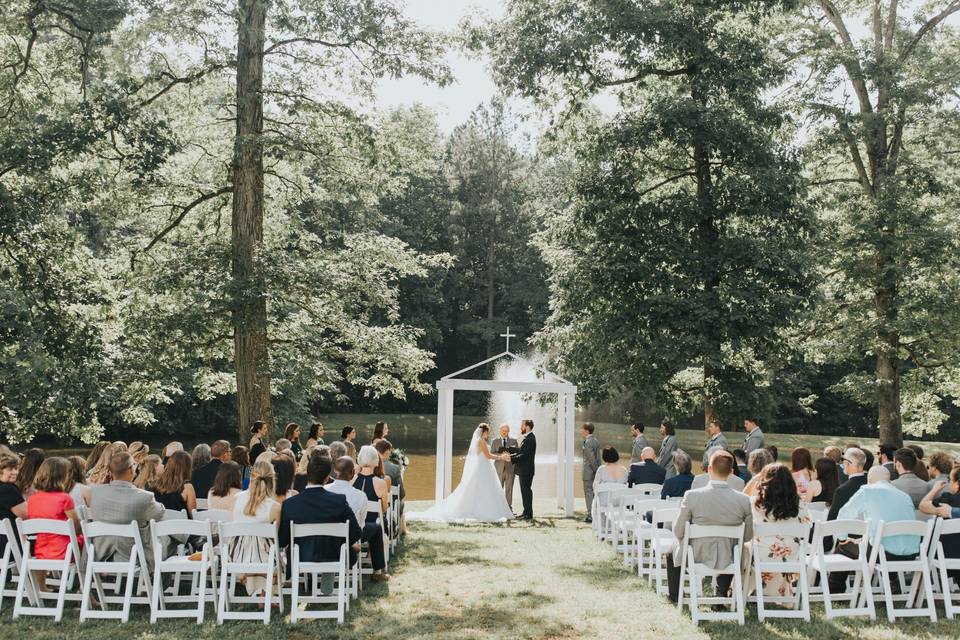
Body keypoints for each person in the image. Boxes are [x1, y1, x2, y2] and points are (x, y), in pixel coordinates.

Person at [666, 450, 753, 603]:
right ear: (731, 472)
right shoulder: (744, 500)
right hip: (729, 557)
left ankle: (675, 597)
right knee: (732, 548)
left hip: (696, 554)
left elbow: (678, 531)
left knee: (672, 550)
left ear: (709, 469)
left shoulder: (692, 496)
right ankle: (721, 594)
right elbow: (747, 536)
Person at [277, 455, 363, 591]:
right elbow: (355, 533)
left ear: (307, 474)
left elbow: (282, 541)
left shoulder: (290, 504)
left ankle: (313, 581)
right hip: (334, 556)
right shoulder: (339, 501)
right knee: (344, 547)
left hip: (302, 557)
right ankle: (325, 578)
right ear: (327, 478)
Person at [830, 465, 920, 591]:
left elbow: (844, 514)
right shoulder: (904, 496)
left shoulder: (867, 491)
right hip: (910, 554)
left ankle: (835, 592)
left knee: (843, 549)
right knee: (879, 543)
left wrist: (842, 539)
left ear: (869, 478)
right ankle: (892, 581)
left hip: (881, 554)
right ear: (889, 480)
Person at [408, 424, 514, 523]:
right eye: (488, 432)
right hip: (483, 469)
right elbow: (488, 456)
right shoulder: (481, 441)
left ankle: (482, 507)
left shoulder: (479, 440)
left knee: (481, 490)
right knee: (481, 489)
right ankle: (482, 510)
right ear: (484, 432)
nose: (489, 434)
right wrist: (501, 457)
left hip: (484, 468)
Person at [89, 451, 165, 571]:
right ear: (131, 470)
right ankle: (157, 585)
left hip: (99, 553)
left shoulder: (94, 492)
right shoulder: (144, 497)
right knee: (164, 543)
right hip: (133, 555)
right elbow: (158, 515)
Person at [746, 463, 807, 603]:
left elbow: (741, 499)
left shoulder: (755, 504)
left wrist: (753, 481)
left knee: (744, 549)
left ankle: (743, 591)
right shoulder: (800, 505)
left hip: (761, 557)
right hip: (791, 558)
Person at [325, 455, 388, 582]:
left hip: (327, 537)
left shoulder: (324, 490)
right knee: (376, 528)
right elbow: (361, 523)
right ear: (353, 473)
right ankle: (377, 572)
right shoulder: (360, 495)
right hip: (351, 537)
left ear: (335, 472)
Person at [27, 457, 83, 588]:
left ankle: (42, 587)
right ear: (62, 477)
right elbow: (76, 527)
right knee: (89, 545)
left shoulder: (33, 499)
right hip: (66, 551)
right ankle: (85, 591)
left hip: (41, 550)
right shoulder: (65, 499)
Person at [230, 460, 281, 595]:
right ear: (272, 479)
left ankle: (257, 591)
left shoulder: (235, 499)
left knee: (255, 548)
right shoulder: (275, 507)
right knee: (271, 551)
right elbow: (279, 537)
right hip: (264, 561)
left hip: (237, 558)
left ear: (251, 476)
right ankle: (265, 593)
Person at [919, 468, 960, 586]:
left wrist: (935, 489)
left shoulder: (947, 501)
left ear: (957, 484)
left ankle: (919, 590)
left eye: (950, 479)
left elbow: (923, 506)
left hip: (945, 557)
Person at [826, 447, 868, 522]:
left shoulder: (842, 491)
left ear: (847, 463)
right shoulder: (871, 484)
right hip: (868, 530)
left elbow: (831, 521)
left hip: (847, 531)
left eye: (843, 460)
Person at [508, 419, 537, 520]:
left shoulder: (530, 439)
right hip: (524, 470)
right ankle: (526, 512)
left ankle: (528, 514)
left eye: (522, 425)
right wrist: (510, 453)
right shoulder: (528, 438)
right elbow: (521, 451)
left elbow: (524, 455)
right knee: (525, 492)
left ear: (527, 427)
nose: (521, 427)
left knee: (526, 492)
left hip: (526, 470)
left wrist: (511, 458)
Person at [0, 453, 27, 556]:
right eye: (10, 469)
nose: (15, 472)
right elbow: (26, 514)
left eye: (16, 468)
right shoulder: (7, 489)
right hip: (9, 546)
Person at [490, 423, 518, 508]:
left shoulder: (514, 441)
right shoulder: (495, 441)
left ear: (508, 431)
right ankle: (498, 507)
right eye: (503, 431)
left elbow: (517, 454)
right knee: (498, 489)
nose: (504, 432)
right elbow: (491, 453)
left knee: (509, 489)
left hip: (510, 469)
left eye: (506, 431)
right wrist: (501, 456)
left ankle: (508, 507)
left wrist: (509, 455)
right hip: (499, 469)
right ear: (500, 431)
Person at [580, 423, 601, 522]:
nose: (581, 431)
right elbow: (598, 458)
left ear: (587, 431)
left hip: (589, 472)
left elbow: (592, 459)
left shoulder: (588, 442)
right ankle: (595, 513)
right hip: (594, 472)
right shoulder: (595, 440)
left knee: (588, 494)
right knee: (593, 493)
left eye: (582, 429)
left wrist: (597, 470)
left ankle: (590, 515)